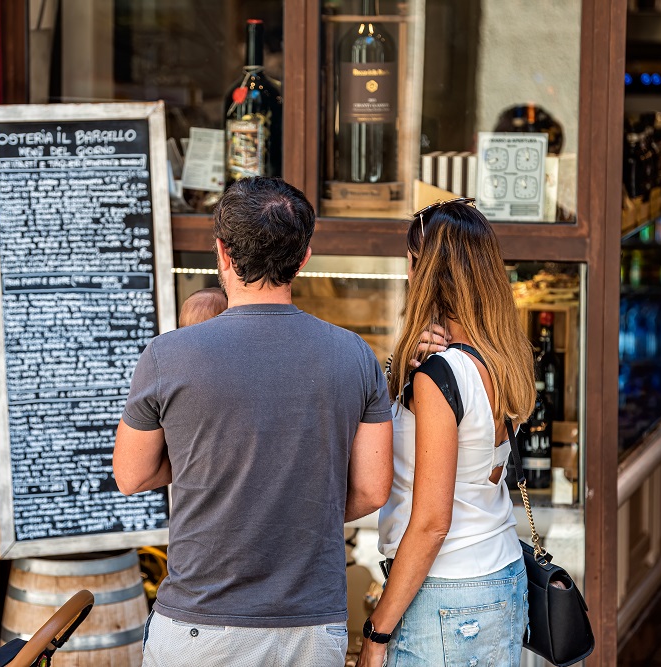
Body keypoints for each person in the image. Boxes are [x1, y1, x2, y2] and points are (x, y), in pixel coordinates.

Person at [113, 176, 394, 667]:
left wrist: (208, 467)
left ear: (222, 253)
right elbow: (372, 491)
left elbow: (131, 474)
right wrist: (293, 505)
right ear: (304, 258)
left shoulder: (167, 355)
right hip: (310, 624)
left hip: (200, 623)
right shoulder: (354, 355)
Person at [356, 198, 536, 667]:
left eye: (413, 263)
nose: (409, 274)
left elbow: (433, 522)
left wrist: (377, 632)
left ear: (430, 272)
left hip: (446, 593)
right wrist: (406, 365)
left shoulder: (441, 376)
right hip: (501, 573)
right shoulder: (504, 356)